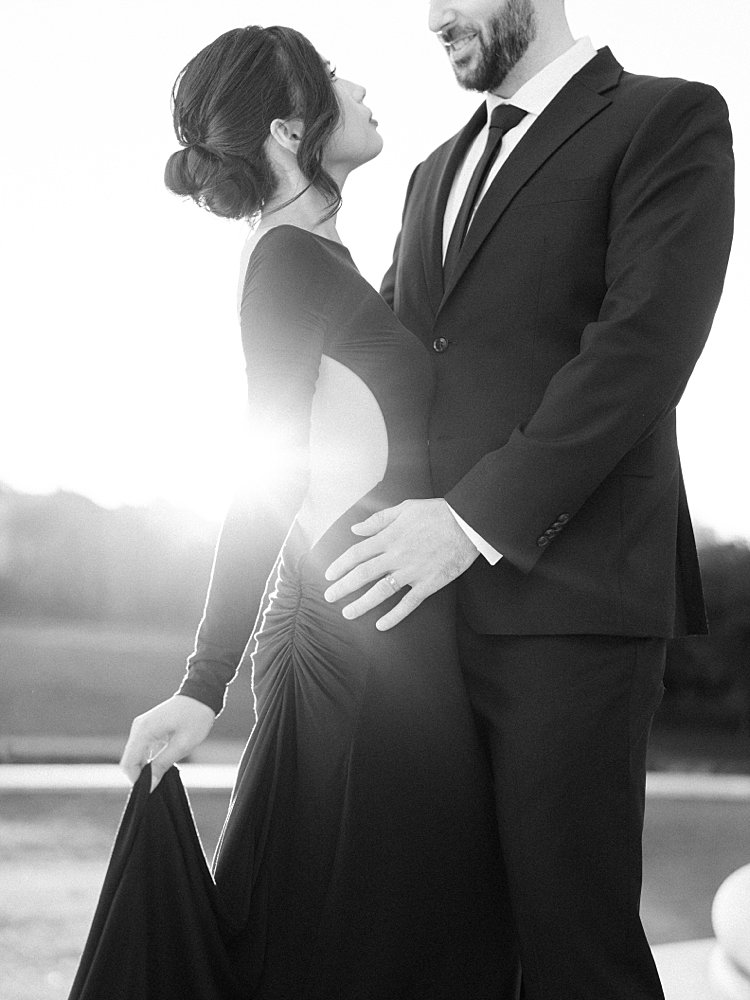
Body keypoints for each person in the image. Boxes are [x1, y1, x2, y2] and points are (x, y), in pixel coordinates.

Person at [71, 24, 520, 1000]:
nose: (359, 84)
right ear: (287, 128)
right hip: (351, 660)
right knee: (363, 956)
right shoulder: (284, 266)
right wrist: (203, 681)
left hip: (386, 644)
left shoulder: (321, 261)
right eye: (329, 78)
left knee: (406, 949)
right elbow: (265, 473)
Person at [321, 2, 735, 998]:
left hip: (576, 604)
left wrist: (469, 523)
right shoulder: (430, 174)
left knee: (571, 943)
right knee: (444, 943)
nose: (433, 17)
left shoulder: (669, 117)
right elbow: (394, 373)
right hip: (422, 617)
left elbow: (642, 348)